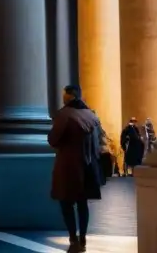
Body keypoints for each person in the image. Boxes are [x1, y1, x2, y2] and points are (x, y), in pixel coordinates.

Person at [49, 85, 103, 253]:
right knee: (82, 203)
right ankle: (83, 238)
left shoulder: (64, 115)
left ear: (70, 96)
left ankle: (73, 240)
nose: (63, 97)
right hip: (88, 165)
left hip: (68, 165)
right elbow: (99, 140)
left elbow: (53, 139)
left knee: (66, 203)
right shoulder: (92, 115)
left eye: (64, 94)